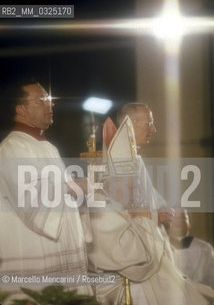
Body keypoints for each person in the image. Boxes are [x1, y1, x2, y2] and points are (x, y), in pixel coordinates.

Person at [87, 103, 212, 304]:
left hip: (150, 250)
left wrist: (162, 210)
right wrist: (154, 215)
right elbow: (119, 213)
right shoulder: (111, 165)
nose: (153, 129)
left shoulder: (135, 160)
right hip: (131, 265)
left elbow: (149, 202)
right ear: (131, 123)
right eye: (149, 123)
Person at [0, 79, 92, 300]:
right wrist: (72, 186)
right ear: (21, 109)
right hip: (34, 261)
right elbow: (31, 200)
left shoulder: (48, 147)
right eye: (41, 100)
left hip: (60, 258)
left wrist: (83, 192)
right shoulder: (12, 148)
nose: (50, 105)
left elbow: (65, 197)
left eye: (49, 99)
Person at [169, 209, 214, 288]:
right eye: (175, 218)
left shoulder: (205, 249)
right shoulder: (161, 247)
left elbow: (211, 278)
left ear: (190, 223)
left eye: (183, 218)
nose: (179, 221)